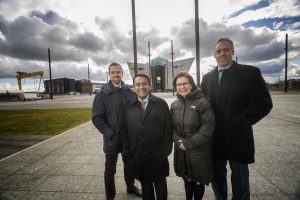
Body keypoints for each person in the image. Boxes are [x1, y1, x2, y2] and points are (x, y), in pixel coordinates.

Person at [201, 38, 273, 200]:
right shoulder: (207, 78)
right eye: (218, 51)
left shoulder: (250, 73)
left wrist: (240, 121)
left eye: (226, 49)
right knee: (217, 177)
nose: (222, 53)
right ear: (214, 55)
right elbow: (203, 104)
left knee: (240, 179)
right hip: (215, 137)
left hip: (238, 136)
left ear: (232, 52)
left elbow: (264, 103)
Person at [92, 62, 142, 200]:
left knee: (130, 166)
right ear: (109, 74)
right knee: (109, 171)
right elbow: (97, 119)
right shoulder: (101, 94)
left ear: (122, 73)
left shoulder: (130, 93)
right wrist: (111, 134)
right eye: (113, 72)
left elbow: (137, 114)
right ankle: (110, 196)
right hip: (111, 139)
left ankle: (131, 187)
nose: (116, 74)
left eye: (118, 72)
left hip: (128, 139)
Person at [121, 74, 173, 200]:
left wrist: (165, 151)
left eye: (144, 84)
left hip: (158, 155)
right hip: (139, 155)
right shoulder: (127, 106)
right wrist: (129, 151)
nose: (141, 87)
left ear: (150, 85)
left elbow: (168, 128)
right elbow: (124, 131)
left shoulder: (160, 104)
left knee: (161, 188)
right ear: (133, 87)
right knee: (146, 190)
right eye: (138, 84)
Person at [171, 72, 215, 200]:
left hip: (198, 151)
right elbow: (170, 128)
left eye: (185, 83)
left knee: (198, 181)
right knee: (187, 179)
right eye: (179, 84)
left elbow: (208, 127)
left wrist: (188, 144)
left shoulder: (203, 103)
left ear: (191, 84)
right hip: (181, 150)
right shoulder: (174, 105)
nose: (182, 87)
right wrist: (179, 141)